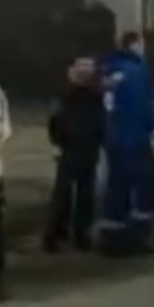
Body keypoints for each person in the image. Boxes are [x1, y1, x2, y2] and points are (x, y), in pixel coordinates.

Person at [98, 29, 154, 257]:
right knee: (147, 187)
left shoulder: (110, 70)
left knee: (117, 188)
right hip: (134, 138)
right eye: (141, 44)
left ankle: (111, 237)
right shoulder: (137, 71)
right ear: (134, 45)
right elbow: (143, 106)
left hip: (114, 138)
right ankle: (136, 238)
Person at [42, 58, 106, 253]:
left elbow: (54, 121)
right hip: (77, 147)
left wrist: (58, 141)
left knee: (71, 194)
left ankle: (63, 234)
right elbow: (55, 121)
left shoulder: (76, 95)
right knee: (71, 194)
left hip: (79, 147)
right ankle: (67, 234)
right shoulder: (88, 95)